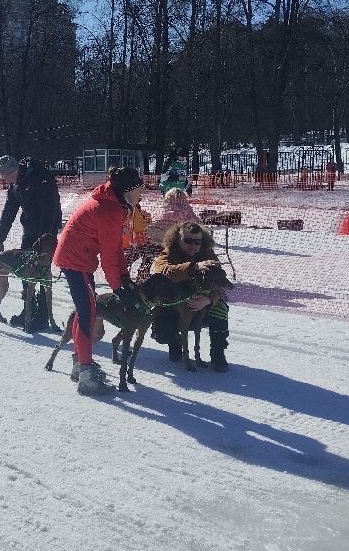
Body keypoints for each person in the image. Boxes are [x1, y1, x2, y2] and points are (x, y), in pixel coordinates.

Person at [52, 166, 145, 395]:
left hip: (79, 257)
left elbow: (115, 248)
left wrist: (124, 278)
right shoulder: (109, 210)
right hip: (76, 260)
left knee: (86, 310)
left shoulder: (114, 204)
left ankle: (79, 364)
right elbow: (108, 255)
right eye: (140, 187)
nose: (142, 192)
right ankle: (85, 373)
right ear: (129, 189)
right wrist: (117, 288)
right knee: (88, 313)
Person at [150, 221, 233, 371]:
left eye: (197, 241)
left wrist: (208, 300)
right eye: (188, 241)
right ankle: (174, 340)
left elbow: (218, 285)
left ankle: (218, 352)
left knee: (220, 307)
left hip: (201, 305)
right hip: (173, 305)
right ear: (178, 239)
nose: (193, 245)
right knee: (162, 336)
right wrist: (194, 267)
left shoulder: (208, 254)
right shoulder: (169, 253)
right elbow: (162, 271)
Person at [0, 154, 63, 332]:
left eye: (8, 176)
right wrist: (0, 239)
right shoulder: (15, 185)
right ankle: (28, 311)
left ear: (15, 169)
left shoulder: (40, 177)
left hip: (46, 232)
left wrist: (44, 239)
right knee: (25, 271)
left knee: (41, 272)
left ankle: (42, 317)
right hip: (30, 230)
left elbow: (51, 209)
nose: (7, 180)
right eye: (4, 178)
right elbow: (9, 211)